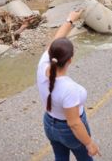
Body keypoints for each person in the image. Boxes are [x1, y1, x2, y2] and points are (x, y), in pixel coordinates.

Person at [37, 9, 100, 160]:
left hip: (49, 124)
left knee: (60, 157)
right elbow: (74, 123)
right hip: (68, 130)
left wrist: (70, 20)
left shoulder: (42, 64)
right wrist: (90, 143)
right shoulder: (68, 89)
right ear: (70, 60)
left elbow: (57, 39)